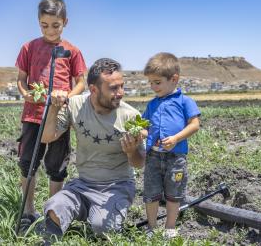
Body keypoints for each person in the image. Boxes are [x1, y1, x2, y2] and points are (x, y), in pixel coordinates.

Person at [41, 58, 145, 238]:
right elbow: (46, 137)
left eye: (122, 86)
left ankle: (98, 214)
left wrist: (131, 151)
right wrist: (53, 108)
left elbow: (139, 163)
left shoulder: (131, 116)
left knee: (103, 229)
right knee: (53, 209)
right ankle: (79, 215)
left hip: (116, 187)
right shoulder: (75, 105)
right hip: (83, 185)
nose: (120, 93)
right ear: (94, 89)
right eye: (113, 88)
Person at [15, 0, 87, 229]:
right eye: (44, 25)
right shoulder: (29, 47)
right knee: (28, 163)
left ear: (65, 22)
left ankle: (52, 212)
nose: (50, 30)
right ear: (38, 22)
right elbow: (21, 80)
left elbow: (80, 83)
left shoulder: (72, 51)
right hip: (32, 116)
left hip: (60, 117)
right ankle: (28, 211)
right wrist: (26, 93)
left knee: (57, 165)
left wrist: (68, 95)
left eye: (55, 25)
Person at [141, 52, 200, 238]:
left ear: (174, 79)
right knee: (151, 192)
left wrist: (175, 139)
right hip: (153, 157)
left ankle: (170, 227)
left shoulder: (184, 101)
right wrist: (139, 132)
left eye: (157, 82)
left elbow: (194, 125)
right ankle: (151, 227)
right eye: (150, 83)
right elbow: (145, 127)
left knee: (174, 193)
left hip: (176, 158)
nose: (153, 86)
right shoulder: (152, 104)